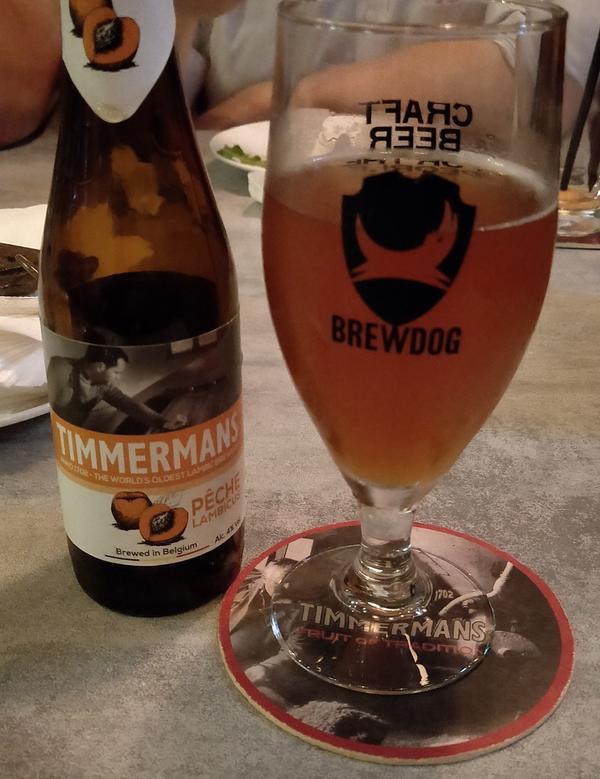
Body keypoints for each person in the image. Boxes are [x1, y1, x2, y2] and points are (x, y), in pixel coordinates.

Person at [46, 345, 186, 431]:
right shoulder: (60, 367)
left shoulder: (103, 386)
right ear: (100, 367)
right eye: (116, 372)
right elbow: (55, 404)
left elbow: (131, 405)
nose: (118, 378)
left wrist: (163, 422)